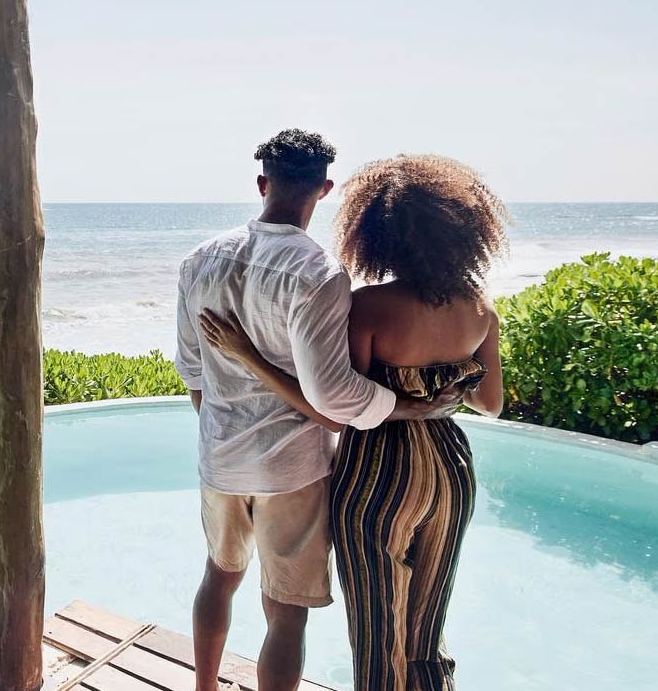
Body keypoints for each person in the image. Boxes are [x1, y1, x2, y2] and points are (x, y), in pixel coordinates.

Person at [197, 153, 508, 691]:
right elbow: (490, 404)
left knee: (377, 629)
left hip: (379, 474)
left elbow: (340, 407)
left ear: (378, 230)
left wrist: (250, 357)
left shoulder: (369, 307)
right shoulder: (480, 309)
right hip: (450, 468)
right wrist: (440, 394)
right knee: (426, 627)